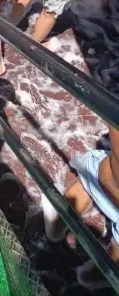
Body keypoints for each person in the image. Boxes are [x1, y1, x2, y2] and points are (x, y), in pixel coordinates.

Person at [44, 123, 119, 288]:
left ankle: (55, 228)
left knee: (90, 178)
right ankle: (91, 278)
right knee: (116, 255)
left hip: (106, 183)